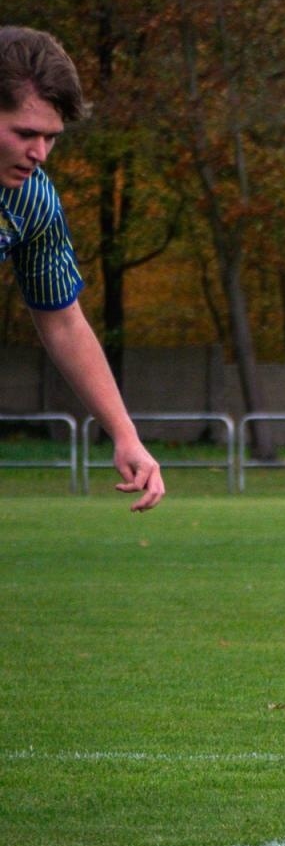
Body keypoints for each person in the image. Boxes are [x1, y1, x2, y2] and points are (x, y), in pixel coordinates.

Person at [0, 26, 163, 512]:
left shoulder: (32, 200)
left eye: (51, 138)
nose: (40, 154)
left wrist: (124, 434)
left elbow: (64, 322)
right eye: (26, 133)